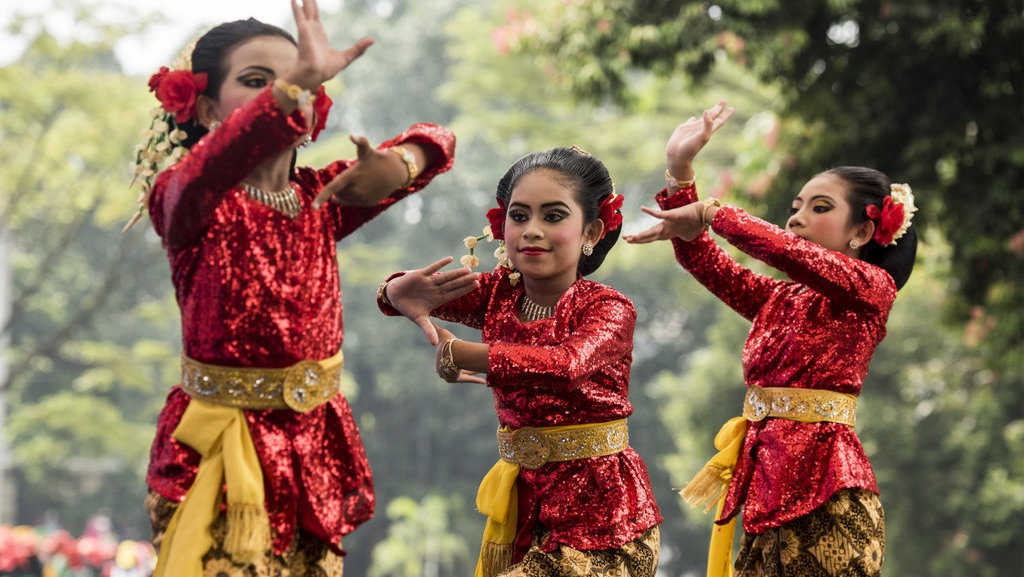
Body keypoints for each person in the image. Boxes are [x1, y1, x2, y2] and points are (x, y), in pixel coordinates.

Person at [131, 1, 456, 575]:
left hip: (313, 453)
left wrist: (401, 163)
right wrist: (299, 79)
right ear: (207, 108)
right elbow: (204, 173)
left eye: (304, 81)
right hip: (220, 458)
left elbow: (440, 140)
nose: (287, 92)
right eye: (258, 83)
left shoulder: (321, 199)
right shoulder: (188, 204)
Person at [625, 100, 918, 577]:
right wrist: (681, 173)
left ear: (863, 231)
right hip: (767, 494)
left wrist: (712, 211)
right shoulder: (782, 299)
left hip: (830, 497)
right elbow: (708, 262)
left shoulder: (870, 292)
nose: (797, 218)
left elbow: (785, 250)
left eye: (819, 208)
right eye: (795, 208)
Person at [377, 146, 663, 577]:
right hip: (525, 513)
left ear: (591, 232)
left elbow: (565, 366)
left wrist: (463, 354)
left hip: (604, 522)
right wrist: (394, 291)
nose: (530, 230)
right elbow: (418, 294)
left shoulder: (608, 308)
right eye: (519, 215)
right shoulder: (498, 294)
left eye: (552, 216)